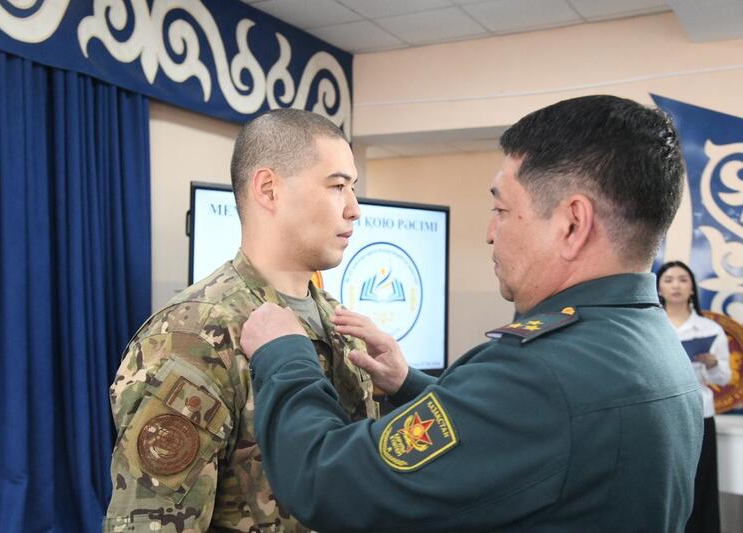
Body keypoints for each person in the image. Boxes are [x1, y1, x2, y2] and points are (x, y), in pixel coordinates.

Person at [239, 95, 705, 532]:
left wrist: (285, 357)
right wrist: (410, 386)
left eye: (501, 209)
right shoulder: (647, 340)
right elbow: (518, 441)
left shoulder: (543, 375)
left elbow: (326, 481)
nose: (489, 232)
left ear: (572, 224)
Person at [103, 109, 378, 532]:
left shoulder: (339, 325)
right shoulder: (193, 336)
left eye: (352, 188)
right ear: (269, 189)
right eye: (337, 186)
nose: (354, 209)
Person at [657, 260, 731, 533]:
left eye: (682, 279)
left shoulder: (710, 330)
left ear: (692, 288)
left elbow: (723, 379)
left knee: (701, 485)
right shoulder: (650, 327)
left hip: (700, 415)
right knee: (663, 487)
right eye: (668, 279)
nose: (676, 285)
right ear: (659, 289)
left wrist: (712, 364)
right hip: (659, 418)